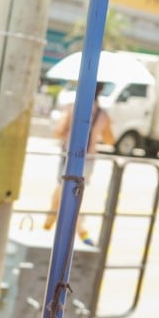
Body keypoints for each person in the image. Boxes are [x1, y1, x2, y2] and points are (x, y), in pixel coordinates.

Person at [43, 82, 115, 244]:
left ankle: (74, 230)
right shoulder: (103, 115)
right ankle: (57, 226)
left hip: (68, 157)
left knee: (65, 192)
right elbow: (110, 140)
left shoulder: (72, 108)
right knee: (71, 193)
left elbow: (58, 131)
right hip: (88, 160)